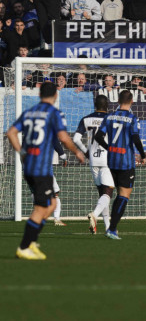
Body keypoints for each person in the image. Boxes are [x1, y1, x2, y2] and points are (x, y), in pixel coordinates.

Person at [6, 82, 85, 260]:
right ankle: (25, 246)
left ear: (39, 94)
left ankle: (31, 241)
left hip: (29, 165)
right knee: (43, 207)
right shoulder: (53, 113)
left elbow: (11, 133)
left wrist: (22, 152)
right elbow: (64, 138)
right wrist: (77, 152)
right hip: (41, 168)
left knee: (51, 204)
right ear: (55, 96)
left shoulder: (29, 112)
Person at [94, 90, 146, 239]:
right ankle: (112, 229)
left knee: (116, 194)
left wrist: (109, 147)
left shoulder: (109, 116)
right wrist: (143, 155)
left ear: (117, 100)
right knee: (123, 195)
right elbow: (136, 138)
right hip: (126, 162)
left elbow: (98, 136)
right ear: (132, 102)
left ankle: (110, 227)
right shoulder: (132, 118)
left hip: (111, 161)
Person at [73, 95, 115, 234]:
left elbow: (76, 138)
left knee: (103, 195)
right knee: (108, 192)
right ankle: (95, 215)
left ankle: (108, 227)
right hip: (107, 158)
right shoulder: (110, 118)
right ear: (107, 105)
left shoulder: (86, 119)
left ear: (94, 105)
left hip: (93, 159)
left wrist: (85, 152)